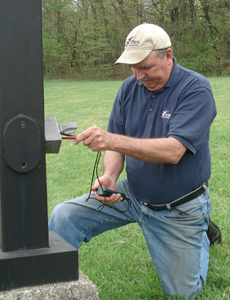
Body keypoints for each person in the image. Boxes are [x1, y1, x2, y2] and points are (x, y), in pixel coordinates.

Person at [49, 23, 221, 298]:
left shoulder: (196, 89)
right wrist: (110, 178)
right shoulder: (130, 88)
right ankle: (51, 284)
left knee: (182, 293)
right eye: (133, 68)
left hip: (176, 206)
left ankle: (200, 232)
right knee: (64, 216)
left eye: (146, 67)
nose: (140, 76)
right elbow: (116, 143)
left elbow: (173, 151)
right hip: (132, 195)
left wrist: (111, 140)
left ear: (168, 55)